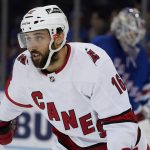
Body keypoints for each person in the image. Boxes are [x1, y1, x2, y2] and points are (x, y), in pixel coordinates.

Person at [0, 5, 149, 150]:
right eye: (28, 38)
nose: (31, 46)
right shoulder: (25, 66)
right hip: (69, 143)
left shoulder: (91, 62)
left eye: (38, 37)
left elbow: (121, 124)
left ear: (58, 37)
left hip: (112, 142)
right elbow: (9, 105)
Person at [91, 7, 150, 121]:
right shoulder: (102, 44)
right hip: (99, 113)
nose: (134, 35)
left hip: (129, 117)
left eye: (136, 32)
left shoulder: (140, 54)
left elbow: (145, 85)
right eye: (131, 31)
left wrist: (143, 108)